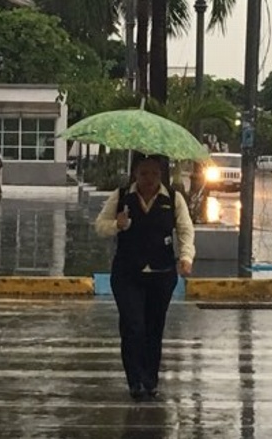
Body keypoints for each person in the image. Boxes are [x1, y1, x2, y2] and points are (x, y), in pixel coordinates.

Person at [95, 154, 195, 401]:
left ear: (160, 175)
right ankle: (135, 381)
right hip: (127, 273)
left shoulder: (173, 198)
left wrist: (186, 257)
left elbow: (185, 229)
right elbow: (99, 226)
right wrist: (117, 225)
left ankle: (150, 380)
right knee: (133, 326)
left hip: (161, 274)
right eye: (143, 174)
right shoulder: (121, 197)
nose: (149, 180)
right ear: (135, 175)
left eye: (154, 174)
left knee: (154, 328)